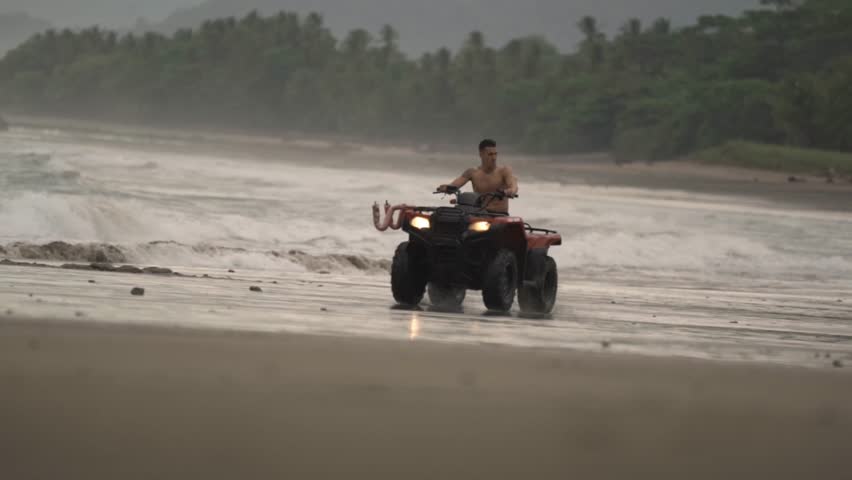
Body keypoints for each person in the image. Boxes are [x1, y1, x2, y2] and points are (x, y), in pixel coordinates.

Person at [436, 139, 518, 214]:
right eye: (490, 154)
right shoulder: (472, 172)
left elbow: (513, 186)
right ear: (481, 154)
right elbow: (454, 185)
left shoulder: (504, 171)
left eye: (495, 154)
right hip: (479, 214)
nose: (494, 158)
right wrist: (446, 188)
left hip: (499, 215)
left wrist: (510, 191)